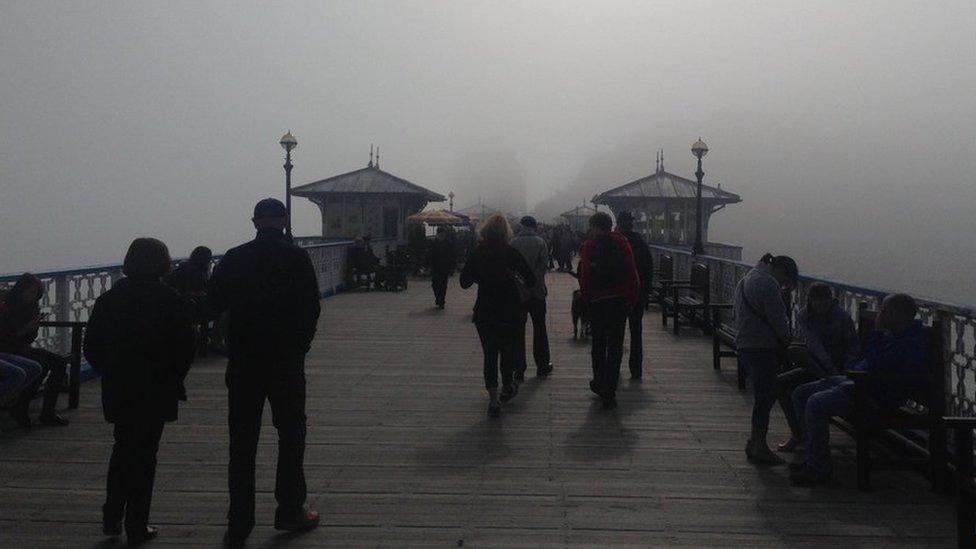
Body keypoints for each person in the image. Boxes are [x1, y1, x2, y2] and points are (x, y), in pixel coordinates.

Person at [209, 198, 322, 546]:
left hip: (244, 360)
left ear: (255, 221)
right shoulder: (297, 257)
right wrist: (299, 345)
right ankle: (290, 508)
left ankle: (239, 522)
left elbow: (214, 302)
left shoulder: (235, 257)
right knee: (291, 433)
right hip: (286, 360)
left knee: (242, 442)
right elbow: (311, 308)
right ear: (284, 221)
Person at [84, 237, 196, 545]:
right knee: (145, 455)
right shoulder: (171, 299)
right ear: (162, 263)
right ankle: (137, 523)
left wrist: (111, 371)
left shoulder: (109, 300)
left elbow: (91, 346)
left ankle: (111, 516)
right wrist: (173, 376)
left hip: (120, 386)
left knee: (122, 449)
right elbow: (186, 347)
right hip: (156, 387)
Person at [790, 293, 926, 486]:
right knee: (800, 393)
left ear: (895, 314)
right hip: (860, 383)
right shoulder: (894, 334)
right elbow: (871, 361)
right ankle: (813, 456)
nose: (880, 314)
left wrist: (877, 333)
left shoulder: (909, 342)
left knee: (816, 403)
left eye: (884, 311)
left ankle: (819, 468)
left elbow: (882, 369)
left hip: (875, 395)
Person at [459, 214, 536, 418]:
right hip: (509, 310)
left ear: (485, 231)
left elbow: (464, 282)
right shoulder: (511, 253)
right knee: (507, 351)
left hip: (484, 310)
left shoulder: (478, 252)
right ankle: (507, 385)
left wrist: (482, 277)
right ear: (506, 233)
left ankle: (493, 401)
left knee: (490, 355)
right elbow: (530, 280)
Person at [775, 283, 858, 452]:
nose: (821, 308)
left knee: (797, 390)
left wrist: (844, 373)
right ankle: (797, 434)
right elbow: (814, 345)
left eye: (825, 304)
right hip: (819, 366)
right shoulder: (804, 315)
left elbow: (852, 347)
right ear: (810, 301)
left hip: (841, 368)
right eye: (817, 304)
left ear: (831, 301)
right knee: (779, 383)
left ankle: (806, 439)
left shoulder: (842, 317)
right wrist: (827, 370)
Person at [734, 253, 798, 465]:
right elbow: (778, 318)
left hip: (745, 342)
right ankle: (759, 444)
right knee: (765, 396)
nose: (784, 287)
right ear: (781, 272)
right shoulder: (768, 284)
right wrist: (787, 339)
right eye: (786, 282)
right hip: (761, 346)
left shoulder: (748, 277)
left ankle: (755, 441)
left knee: (765, 394)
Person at [578, 212, 640, 410]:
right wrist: (631, 299)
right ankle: (610, 390)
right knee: (615, 346)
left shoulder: (590, 245)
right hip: (620, 301)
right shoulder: (622, 242)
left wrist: (587, 299)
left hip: (598, 302)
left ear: (596, 226)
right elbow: (633, 273)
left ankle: (599, 382)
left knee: (598, 345)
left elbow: (585, 277)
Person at [0, 273, 70, 426]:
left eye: (36, 294)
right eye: (30, 292)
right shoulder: (6, 305)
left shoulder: (31, 307)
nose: (32, 297)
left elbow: (28, 339)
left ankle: (48, 411)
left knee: (59, 362)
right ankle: (21, 407)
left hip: (21, 347)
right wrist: (25, 330)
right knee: (41, 365)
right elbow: (6, 336)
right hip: (7, 348)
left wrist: (33, 328)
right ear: (21, 289)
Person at [511, 216, 553, 381]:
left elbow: (511, 268)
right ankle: (542, 365)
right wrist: (533, 283)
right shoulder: (540, 242)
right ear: (534, 227)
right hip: (537, 293)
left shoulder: (513, 243)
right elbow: (543, 267)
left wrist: (522, 284)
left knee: (518, 330)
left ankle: (519, 368)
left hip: (517, 293)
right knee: (540, 328)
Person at [614, 211, 652, 379]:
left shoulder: (613, 241)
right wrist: (646, 292)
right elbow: (648, 268)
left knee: (616, 332)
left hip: (618, 294)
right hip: (637, 293)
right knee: (636, 332)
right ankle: (636, 369)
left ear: (618, 223)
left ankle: (614, 367)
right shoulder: (640, 242)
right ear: (632, 224)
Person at [427, 227, 456, 309]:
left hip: (444, 268)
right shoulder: (433, 243)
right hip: (435, 267)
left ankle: (441, 301)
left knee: (443, 285)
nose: (441, 236)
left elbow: (452, 256)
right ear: (437, 234)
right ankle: (438, 298)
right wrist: (428, 265)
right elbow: (430, 255)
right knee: (435, 284)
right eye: (440, 234)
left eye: (442, 234)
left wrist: (451, 266)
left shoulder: (448, 243)